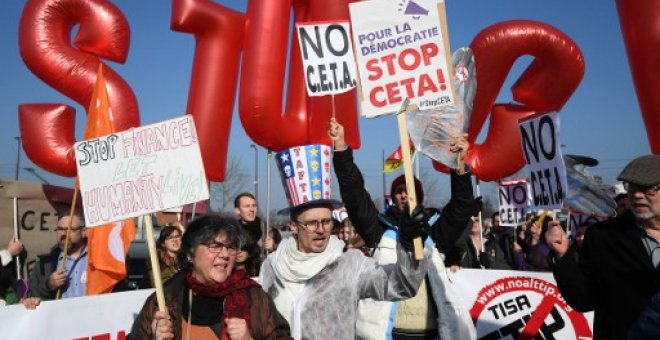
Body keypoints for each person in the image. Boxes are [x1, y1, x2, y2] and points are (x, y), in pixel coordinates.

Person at [259, 143, 430, 339]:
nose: (322, 230)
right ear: (294, 227)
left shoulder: (349, 264)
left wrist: (409, 245)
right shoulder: (272, 266)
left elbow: (401, 285)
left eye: (326, 221)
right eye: (312, 223)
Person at [329, 118, 476, 339]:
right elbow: (355, 195)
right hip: (389, 332)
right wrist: (340, 150)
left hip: (431, 332)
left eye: (409, 191)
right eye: (399, 191)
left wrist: (459, 165)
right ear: (393, 197)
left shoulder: (434, 232)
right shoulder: (378, 230)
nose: (404, 195)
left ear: (420, 197)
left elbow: (461, 208)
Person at [546, 155, 660, 338]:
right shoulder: (603, 236)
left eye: (648, 189)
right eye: (632, 187)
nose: (637, 195)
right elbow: (583, 299)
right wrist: (562, 255)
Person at [130, 215, 291, 339]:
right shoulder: (163, 300)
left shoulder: (254, 298)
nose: (224, 254)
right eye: (215, 246)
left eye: (231, 247)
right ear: (190, 254)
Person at [28, 213, 88, 299]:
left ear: (83, 232)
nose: (64, 234)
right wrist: (49, 285)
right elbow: (32, 296)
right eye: (60, 229)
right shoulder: (44, 265)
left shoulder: (98, 258)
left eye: (69, 229)